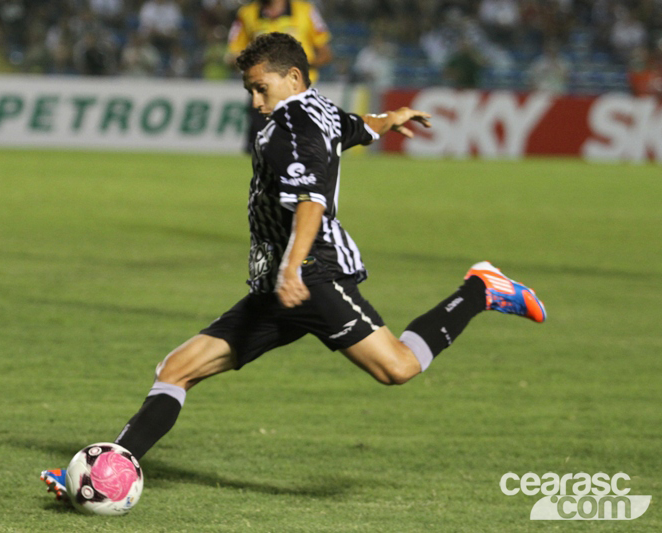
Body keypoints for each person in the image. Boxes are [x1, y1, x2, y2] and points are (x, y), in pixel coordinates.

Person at [40, 32, 546, 500]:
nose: (255, 102)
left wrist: (292, 266)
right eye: (249, 92)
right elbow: (354, 128)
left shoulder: (292, 124)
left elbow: (310, 199)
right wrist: (389, 119)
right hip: (279, 283)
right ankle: (104, 473)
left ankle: (479, 289)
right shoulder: (316, 111)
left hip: (313, 275)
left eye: (261, 89)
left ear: (294, 78)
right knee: (176, 370)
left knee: (398, 368)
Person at [226, 0, 332, 153]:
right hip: (263, 92)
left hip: (297, 92)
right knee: (258, 150)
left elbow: (326, 53)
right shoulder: (247, 13)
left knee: (300, 150)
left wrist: (297, 67)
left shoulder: (306, 11)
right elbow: (234, 53)